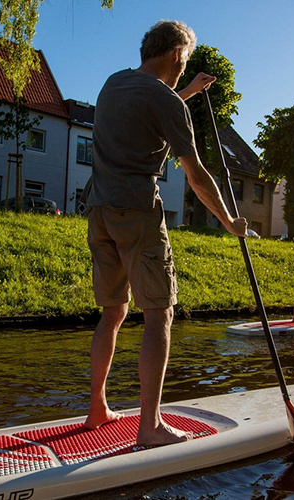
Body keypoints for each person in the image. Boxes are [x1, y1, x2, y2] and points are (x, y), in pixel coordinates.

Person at [82, 20, 247, 447]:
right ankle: (150, 427)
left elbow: (151, 102)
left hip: (98, 209)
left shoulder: (113, 83)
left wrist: (188, 92)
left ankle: (96, 407)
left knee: (113, 312)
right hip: (137, 211)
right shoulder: (166, 102)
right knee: (160, 314)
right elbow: (196, 176)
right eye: (184, 61)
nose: (183, 68)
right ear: (176, 54)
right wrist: (230, 221)